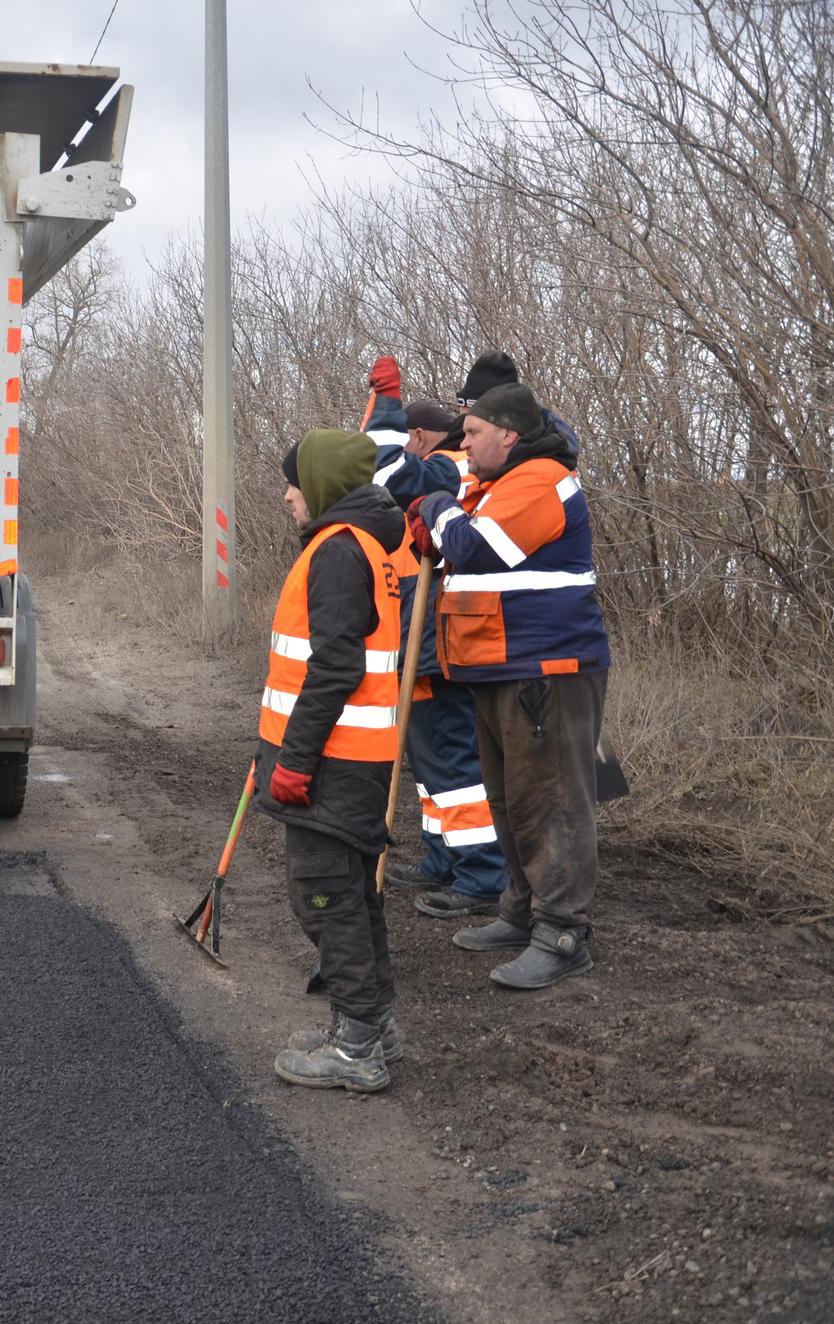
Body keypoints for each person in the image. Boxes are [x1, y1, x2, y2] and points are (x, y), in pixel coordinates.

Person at [408, 381, 610, 990]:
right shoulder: (495, 484)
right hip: (501, 667)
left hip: (545, 669)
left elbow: (474, 548)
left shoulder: (540, 480)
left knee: (549, 802)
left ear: (508, 435)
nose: (462, 444)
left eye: (470, 433)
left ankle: (563, 933)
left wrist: (438, 507)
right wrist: (439, 519)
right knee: (509, 800)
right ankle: (521, 913)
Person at [260, 427, 406, 1093]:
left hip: (334, 760)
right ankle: (374, 1021)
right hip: (350, 755)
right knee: (350, 892)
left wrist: (294, 758)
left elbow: (336, 666)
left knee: (324, 895)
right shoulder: (362, 546)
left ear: (320, 486)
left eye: (295, 481)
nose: (288, 494)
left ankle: (355, 1047)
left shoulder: (341, 552)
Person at [364, 368, 509, 917]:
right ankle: (443, 856)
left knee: (453, 764)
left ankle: (481, 875)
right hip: (419, 639)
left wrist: (386, 407)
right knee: (432, 766)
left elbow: (386, 472)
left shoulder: (451, 468)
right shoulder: (459, 467)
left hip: (440, 640)